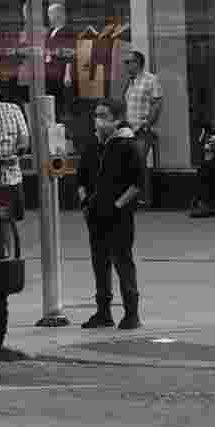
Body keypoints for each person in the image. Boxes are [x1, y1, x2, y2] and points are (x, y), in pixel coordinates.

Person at [82, 98, 146, 330]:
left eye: (103, 116)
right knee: (99, 262)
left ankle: (131, 313)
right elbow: (82, 177)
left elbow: (138, 183)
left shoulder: (127, 145)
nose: (98, 121)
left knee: (122, 260)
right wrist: (85, 202)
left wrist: (118, 206)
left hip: (119, 216)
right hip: (95, 214)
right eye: (96, 115)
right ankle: (103, 311)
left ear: (117, 120)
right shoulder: (93, 145)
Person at [121, 50, 163, 208]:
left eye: (128, 62)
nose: (126, 65)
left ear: (138, 63)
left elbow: (157, 103)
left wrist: (148, 124)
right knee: (133, 163)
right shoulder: (131, 82)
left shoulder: (151, 80)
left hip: (143, 130)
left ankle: (144, 199)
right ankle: (137, 197)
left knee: (137, 162)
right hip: (130, 130)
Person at [0, 75, 32, 213]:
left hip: (12, 174)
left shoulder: (13, 109)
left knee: (17, 214)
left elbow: (24, 138)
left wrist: (18, 152)